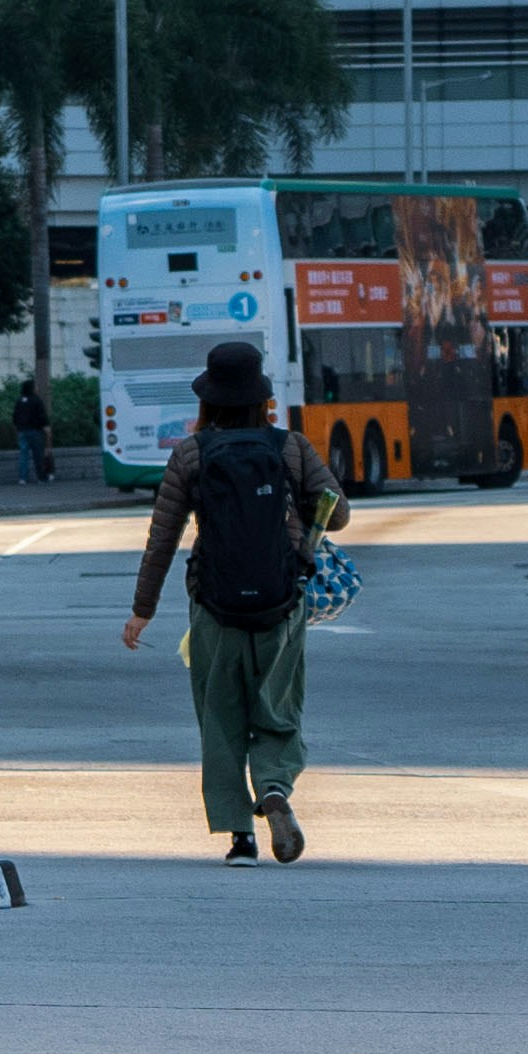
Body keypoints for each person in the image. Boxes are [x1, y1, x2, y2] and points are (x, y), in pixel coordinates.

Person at [122, 337, 349, 863]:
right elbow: (336, 512)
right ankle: (273, 789)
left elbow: (162, 538)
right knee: (277, 708)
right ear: (261, 398)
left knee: (221, 717)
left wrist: (142, 610)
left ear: (208, 400)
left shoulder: (191, 455)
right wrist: (300, 525)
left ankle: (239, 837)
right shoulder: (291, 447)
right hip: (281, 603)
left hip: (213, 605)